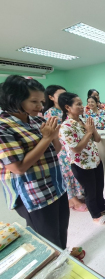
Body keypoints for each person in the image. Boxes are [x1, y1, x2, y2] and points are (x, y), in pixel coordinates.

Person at [0, 75, 69, 248]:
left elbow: (56, 150)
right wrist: (46, 138)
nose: (40, 107)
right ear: (15, 100)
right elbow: (18, 167)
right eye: (34, 102)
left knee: (61, 233)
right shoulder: (4, 127)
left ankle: (66, 262)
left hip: (56, 186)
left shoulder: (38, 120)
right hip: (33, 194)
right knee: (47, 242)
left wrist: (53, 136)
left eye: (42, 101)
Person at [59, 92, 105, 225]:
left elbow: (97, 139)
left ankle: (102, 208)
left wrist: (92, 130)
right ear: (68, 107)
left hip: (95, 160)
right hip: (81, 165)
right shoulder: (65, 127)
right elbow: (76, 149)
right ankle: (95, 215)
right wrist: (89, 132)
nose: (82, 106)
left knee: (99, 187)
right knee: (90, 191)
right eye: (78, 104)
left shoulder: (84, 120)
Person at [44, 85, 87, 212]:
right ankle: (72, 200)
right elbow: (55, 134)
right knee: (67, 173)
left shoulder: (65, 110)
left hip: (74, 145)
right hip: (62, 148)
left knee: (75, 171)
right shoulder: (50, 113)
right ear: (51, 97)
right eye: (60, 95)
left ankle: (77, 195)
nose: (64, 97)